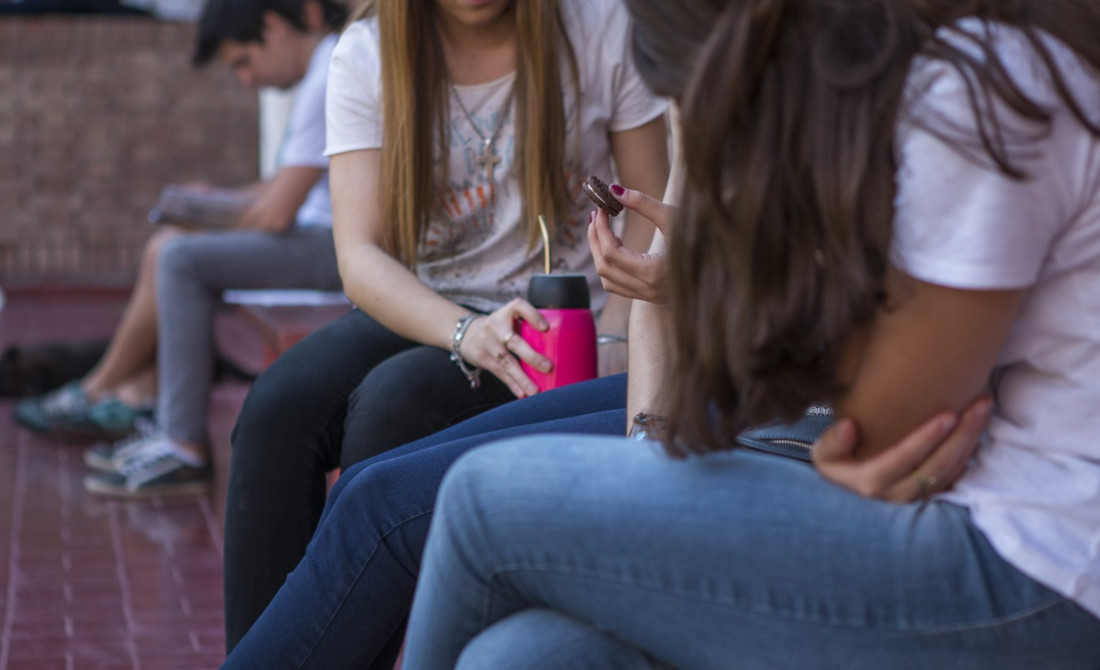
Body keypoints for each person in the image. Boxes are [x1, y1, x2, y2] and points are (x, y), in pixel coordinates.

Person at [401, 0, 1100, 667]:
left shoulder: (984, 86)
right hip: (987, 535)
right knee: (523, 656)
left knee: (480, 501)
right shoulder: (958, 74)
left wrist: (723, 252)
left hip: (1038, 571)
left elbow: (876, 436)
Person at [222, 0, 670, 649]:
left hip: (558, 325)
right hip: (427, 304)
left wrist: (620, 337)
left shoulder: (600, 27)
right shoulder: (368, 52)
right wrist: (465, 332)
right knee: (276, 406)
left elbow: (648, 208)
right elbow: (360, 256)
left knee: (395, 402)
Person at [14, 0, 348, 497]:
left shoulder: (333, 69)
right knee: (171, 246)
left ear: (274, 28)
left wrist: (208, 217)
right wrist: (210, 203)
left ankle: (177, 441)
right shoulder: (327, 64)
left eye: (243, 62)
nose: (246, 80)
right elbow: (280, 190)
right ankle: (128, 393)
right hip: (320, 239)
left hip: (336, 251)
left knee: (180, 258)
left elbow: (276, 213)